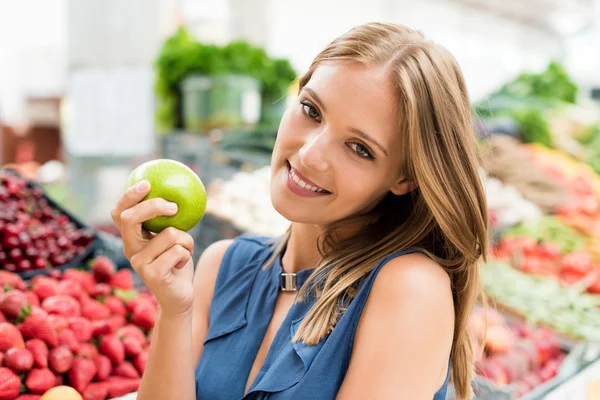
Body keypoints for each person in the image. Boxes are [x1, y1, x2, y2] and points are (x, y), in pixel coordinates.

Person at [111, 22, 488, 400]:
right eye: (311, 110)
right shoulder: (223, 266)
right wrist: (174, 311)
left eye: (359, 148)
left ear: (405, 178)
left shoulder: (409, 289)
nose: (309, 154)